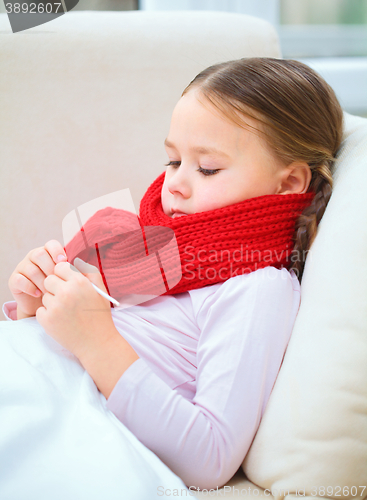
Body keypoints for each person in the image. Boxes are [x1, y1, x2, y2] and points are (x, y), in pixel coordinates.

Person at [4, 58, 343, 490]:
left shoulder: (257, 288)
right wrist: (37, 303)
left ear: (289, 183)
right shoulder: (159, 265)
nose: (175, 185)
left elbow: (211, 458)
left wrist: (95, 338)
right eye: (172, 161)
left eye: (207, 168)